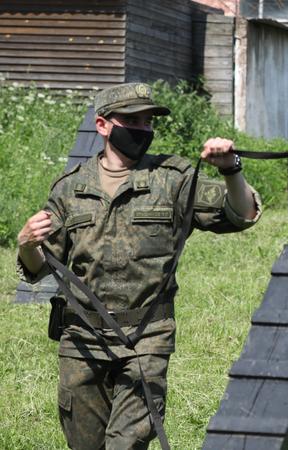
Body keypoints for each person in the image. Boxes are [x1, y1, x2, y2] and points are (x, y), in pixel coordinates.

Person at [15, 82, 262, 449]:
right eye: (132, 120)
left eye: (148, 122)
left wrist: (231, 169)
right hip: (82, 341)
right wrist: (26, 244)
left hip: (146, 340)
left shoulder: (173, 178)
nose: (142, 130)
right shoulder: (70, 187)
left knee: (126, 444)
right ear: (103, 125)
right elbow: (39, 267)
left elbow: (241, 214)